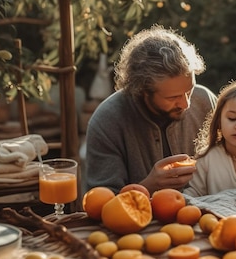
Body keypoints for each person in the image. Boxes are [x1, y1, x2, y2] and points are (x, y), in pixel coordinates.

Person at [84, 25, 217, 195]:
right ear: (142, 91)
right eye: (173, 98)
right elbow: (101, 203)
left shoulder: (205, 101)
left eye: (189, 90)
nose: (186, 104)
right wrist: (149, 186)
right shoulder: (107, 121)